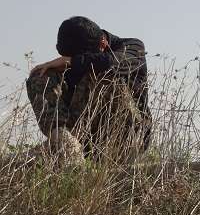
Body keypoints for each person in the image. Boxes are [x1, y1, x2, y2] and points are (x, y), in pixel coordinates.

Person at [26, 16, 152, 166]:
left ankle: (115, 157)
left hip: (126, 141)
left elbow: (110, 63)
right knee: (41, 74)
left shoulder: (133, 48)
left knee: (103, 73)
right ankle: (65, 144)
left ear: (102, 44)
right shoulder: (69, 63)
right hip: (80, 141)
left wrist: (74, 62)